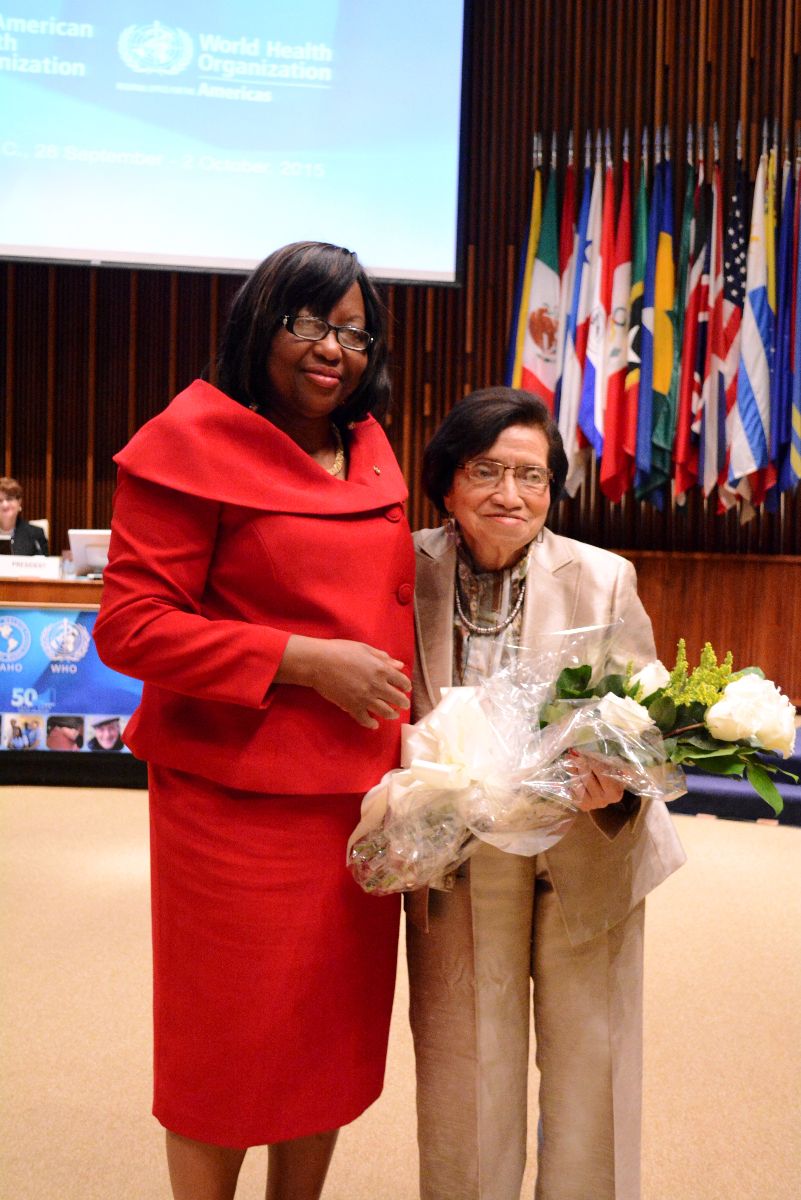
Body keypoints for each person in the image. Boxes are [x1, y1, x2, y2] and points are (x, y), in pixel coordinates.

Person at [92, 241, 415, 1200]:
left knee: (326, 1042)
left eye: (355, 331)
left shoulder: (367, 446)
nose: (334, 349)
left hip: (357, 807)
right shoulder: (191, 440)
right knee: (226, 1048)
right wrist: (301, 662)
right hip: (232, 803)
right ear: (259, 322)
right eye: (310, 322)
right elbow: (131, 626)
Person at [405, 387, 686, 1200]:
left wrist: (619, 785)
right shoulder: (403, 567)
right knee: (466, 1071)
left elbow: (646, 726)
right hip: (457, 859)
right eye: (485, 471)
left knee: (589, 1066)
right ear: (446, 483)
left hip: (584, 850)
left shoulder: (602, 577)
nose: (509, 495)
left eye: (532, 476)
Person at [0, 476, 49, 555]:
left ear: (19, 502)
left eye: (9, 499)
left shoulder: (35, 534)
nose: (5, 505)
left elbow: (45, 565)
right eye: (0, 500)